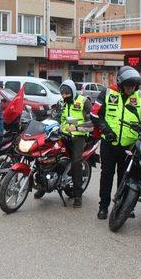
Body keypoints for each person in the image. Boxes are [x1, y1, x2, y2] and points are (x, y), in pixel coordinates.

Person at [91, 66, 141, 220]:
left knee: (125, 177)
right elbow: (94, 114)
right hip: (109, 144)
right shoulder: (107, 93)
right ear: (120, 84)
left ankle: (124, 206)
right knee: (107, 175)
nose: (130, 89)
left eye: (133, 86)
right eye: (127, 86)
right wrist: (106, 130)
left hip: (130, 145)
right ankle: (103, 207)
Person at [52, 79, 93, 208]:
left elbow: (91, 124)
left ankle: (77, 195)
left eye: (67, 93)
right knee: (48, 153)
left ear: (73, 91)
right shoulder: (60, 102)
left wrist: (76, 128)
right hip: (63, 134)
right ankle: (44, 185)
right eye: (62, 93)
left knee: (76, 162)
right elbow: (55, 117)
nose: (64, 96)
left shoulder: (84, 102)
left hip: (78, 136)